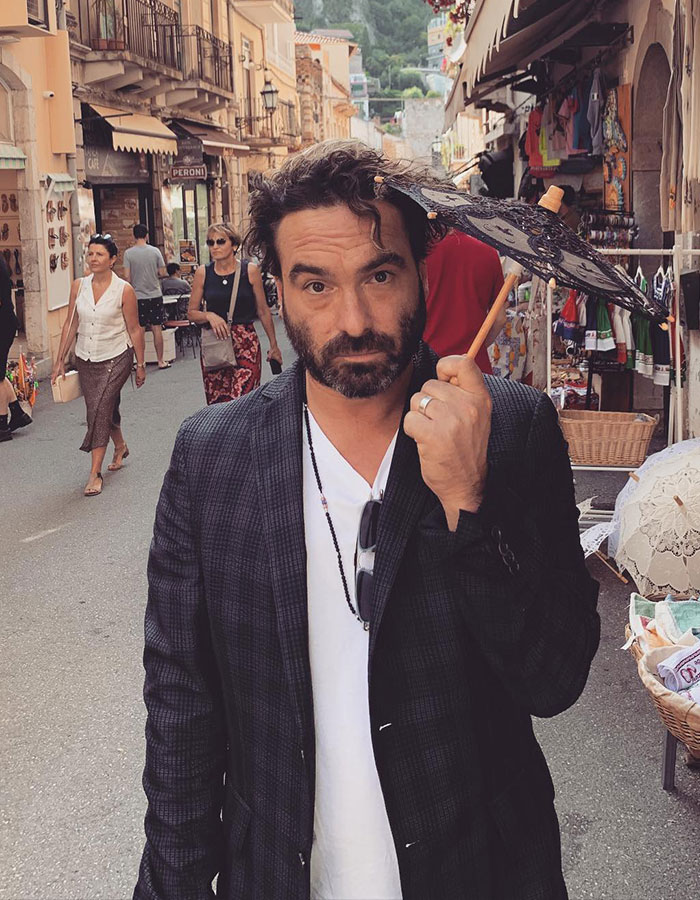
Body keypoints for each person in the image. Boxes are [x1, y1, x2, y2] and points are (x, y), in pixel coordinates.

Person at [135, 142, 600, 900]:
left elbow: (553, 678)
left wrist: (470, 502)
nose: (352, 320)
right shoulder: (213, 458)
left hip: (482, 872)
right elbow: (181, 708)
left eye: (379, 276)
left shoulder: (511, 430)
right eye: (316, 284)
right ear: (277, 291)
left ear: (421, 273)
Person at [52, 234, 146, 496]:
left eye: (99, 254)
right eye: (90, 253)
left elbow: (134, 329)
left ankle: (95, 473)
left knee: (99, 408)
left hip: (117, 355)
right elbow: (71, 324)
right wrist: (59, 361)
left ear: (112, 259)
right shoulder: (78, 286)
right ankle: (120, 446)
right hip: (86, 357)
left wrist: (140, 364)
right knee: (104, 406)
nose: (93, 258)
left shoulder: (124, 290)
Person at [186, 222, 282, 404]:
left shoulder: (249, 270)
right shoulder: (203, 273)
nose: (215, 246)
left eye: (220, 241)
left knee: (244, 400)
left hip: (246, 344)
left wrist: (274, 345)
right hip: (216, 343)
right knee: (218, 404)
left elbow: (263, 310)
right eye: (210, 242)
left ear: (234, 245)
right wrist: (209, 316)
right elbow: (191, 313)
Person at [424, 229, 506, 374]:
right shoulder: (489, 253)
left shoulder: (420, 253)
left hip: (429, 367)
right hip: (474, 366)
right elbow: (500, 319)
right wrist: (478, 347)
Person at [123, 224, 170, 370]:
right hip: (155, 294)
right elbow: (163, 273)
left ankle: (140, 362)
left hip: (138, 297)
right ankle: (161, 360)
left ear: (133, 236)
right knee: (157, 328)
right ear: (147, 235)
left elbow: (127, 277)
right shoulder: (155, 251)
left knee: (139, 330)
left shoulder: (128, 254)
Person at [0, 254, 32, 442]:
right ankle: (17, 413)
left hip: (2, 323)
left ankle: (2, 426)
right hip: (6, 321)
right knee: (0, 374)